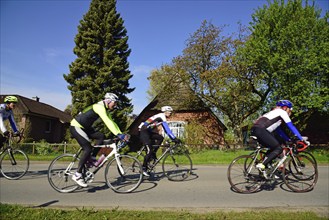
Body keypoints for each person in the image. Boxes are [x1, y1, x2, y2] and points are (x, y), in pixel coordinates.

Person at [70, 93, 128, 187]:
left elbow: (112, 122)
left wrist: (121, 134)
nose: (115, 105)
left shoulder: (105, 109)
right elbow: (107, 121)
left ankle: (92, 158)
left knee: (101, 136)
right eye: (115, 103)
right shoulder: (99, 107)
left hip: (85, 128)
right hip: (76, 126)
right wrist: (118, 134)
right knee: (87, 148)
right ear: (109, 101)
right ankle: (77, 174)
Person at [251, 100, 307, 177]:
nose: (290, 112)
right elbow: (291, 126)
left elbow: (279, 131)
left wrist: (288, 140)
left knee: (273, 147)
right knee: (279, 148)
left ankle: (266, 166)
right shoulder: (282, 112)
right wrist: (300, 138)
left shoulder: (275, 114)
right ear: (285, 108)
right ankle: (262, 165)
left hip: (255, 130)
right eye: (290, 110)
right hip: (261, 130)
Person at [138, 106, 181, 176]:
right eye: (169, 112)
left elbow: (165, 130)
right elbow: (167, 130)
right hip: (143, 131)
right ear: (165, 112)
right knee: (149, 150)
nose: (170, 113)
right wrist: (174, 138)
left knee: (160, 138)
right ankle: (143, 168)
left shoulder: (161, 116)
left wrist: (173, 138)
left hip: (148, 132)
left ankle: (153, 154)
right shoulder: (162, 116)